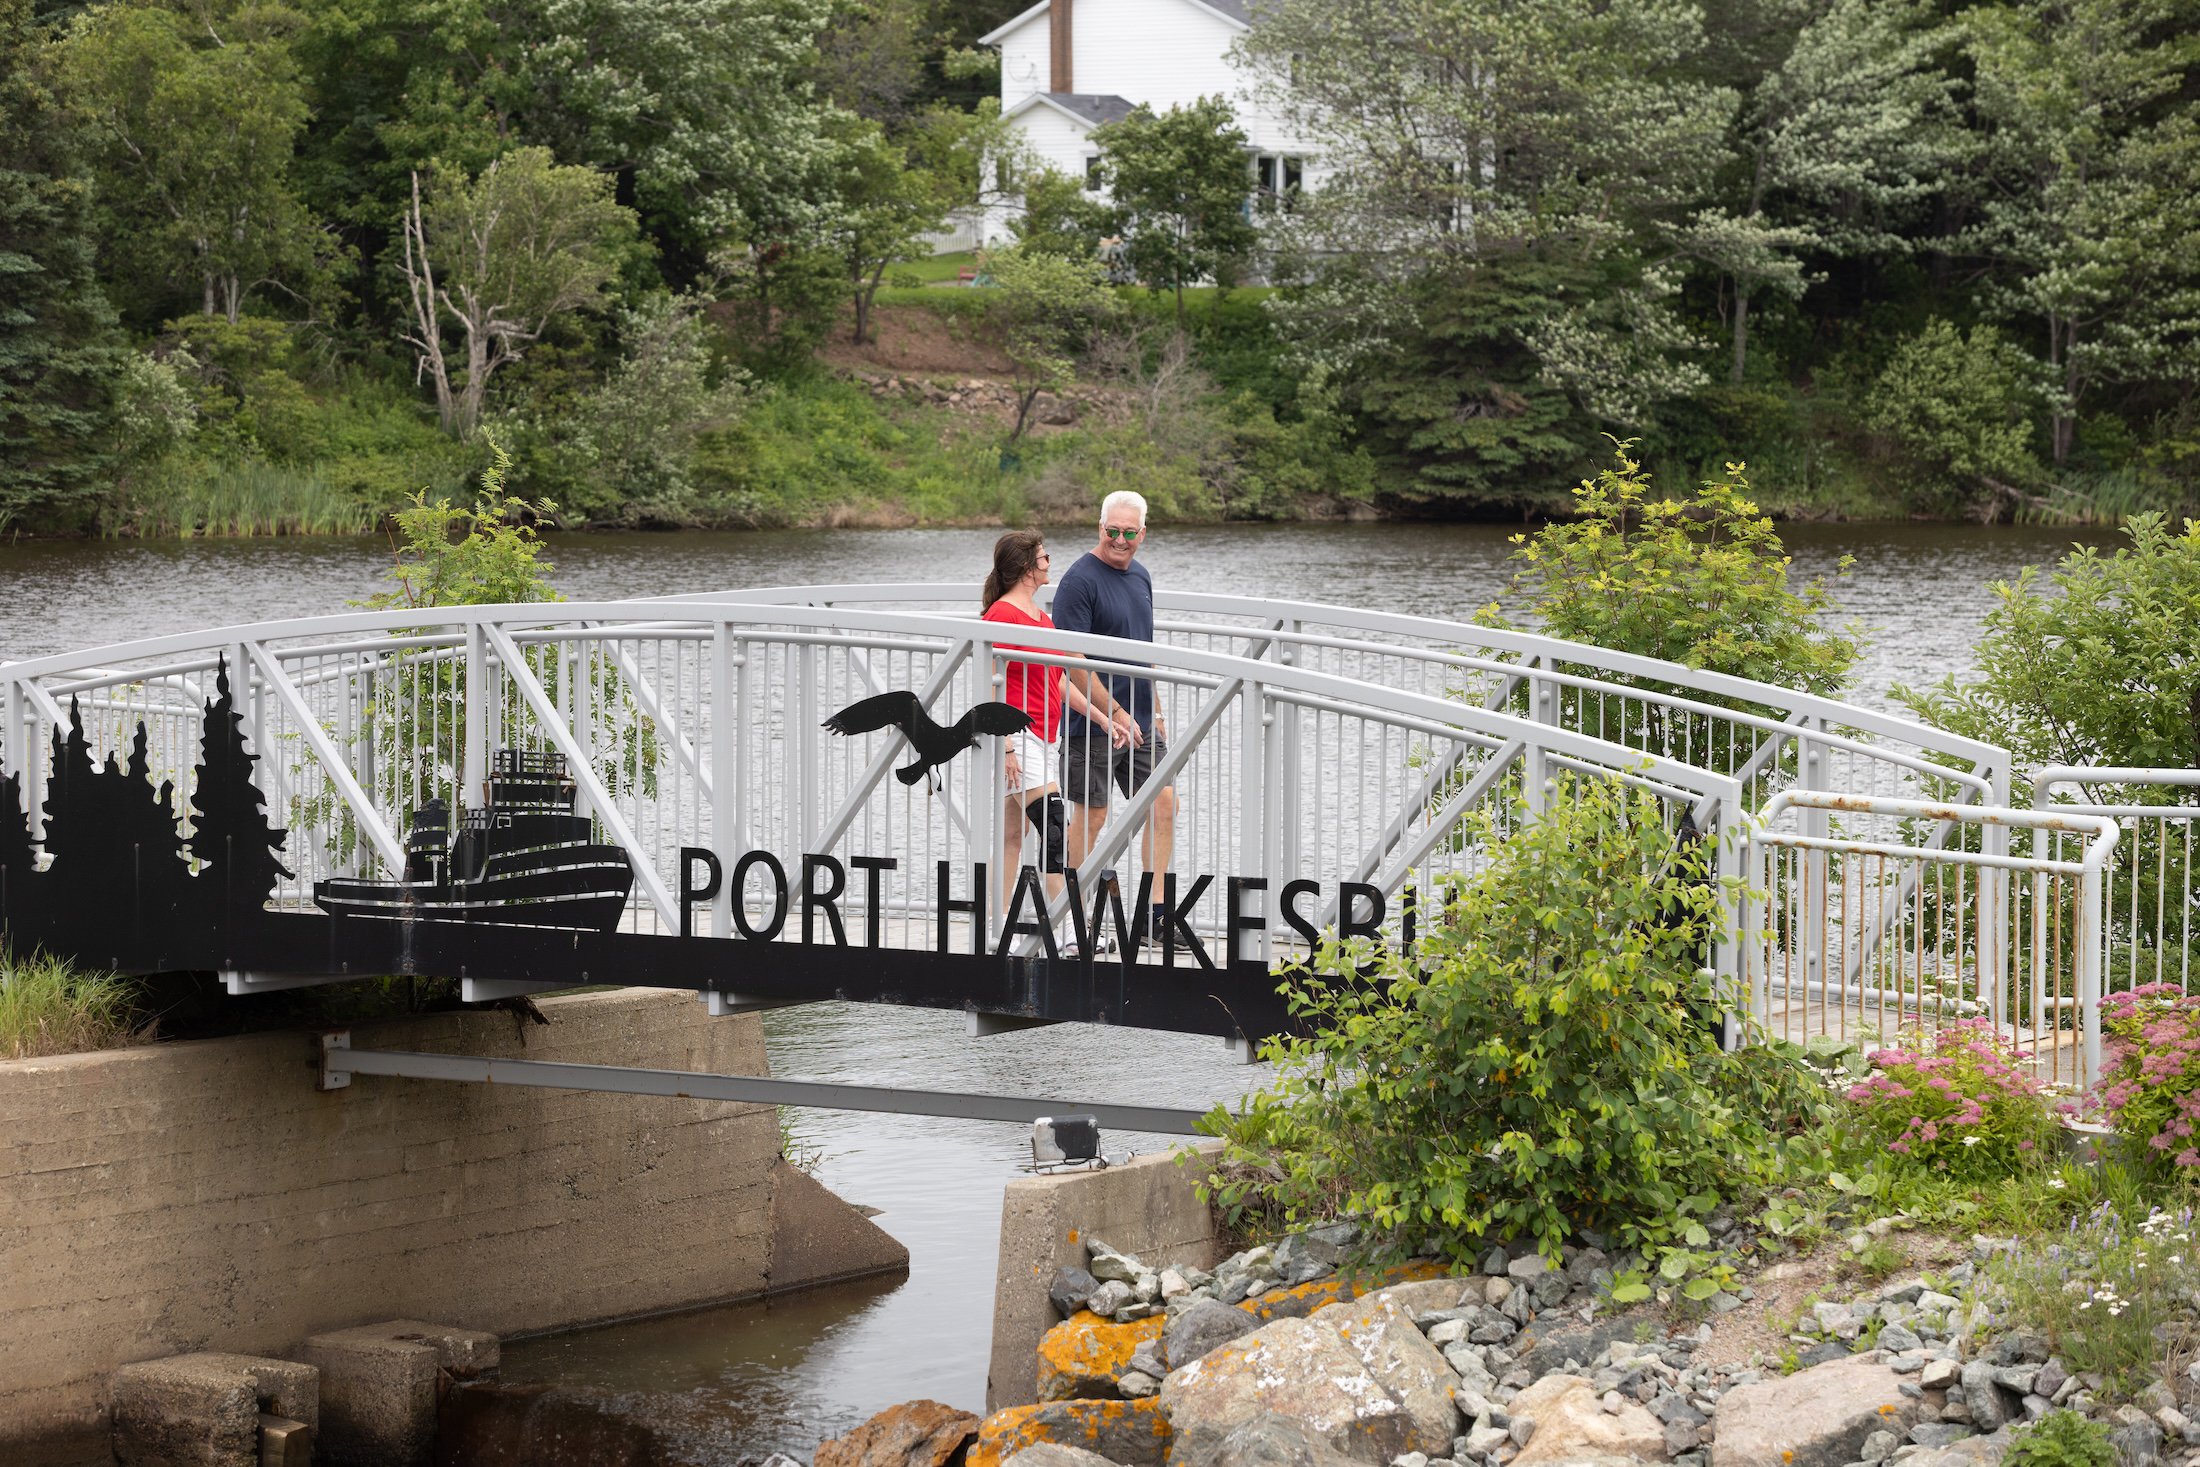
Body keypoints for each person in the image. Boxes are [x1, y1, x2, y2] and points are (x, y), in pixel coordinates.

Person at [980, 531, 1130, 920]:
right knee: (1056, 829)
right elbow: (989, 682)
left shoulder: (1041, 619)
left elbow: (1057, 681)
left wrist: (1102, 717)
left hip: (1046, 738)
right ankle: (1067, 935)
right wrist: (1007, 746)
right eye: (1045, 558)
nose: (1050, 564)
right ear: (1027, 568)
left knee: (1014, 836)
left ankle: (991, 929)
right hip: (1018, 737)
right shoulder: (1002, 615)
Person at [1051, 490, 1174, 945]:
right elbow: (1072, 660)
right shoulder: (1078, 582)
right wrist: (1115, 712)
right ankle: (1070, 915)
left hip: (1141, 721)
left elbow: (1146, 653)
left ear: (1143, 532)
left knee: (1164, 803)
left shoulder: (1140, 576)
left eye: (1129, 532)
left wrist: (1155, 711)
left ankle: (1153, 916)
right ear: (1099, 527)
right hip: (1094, 725)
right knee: (1093, 817)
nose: (1119, 540)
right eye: (1112, 531)